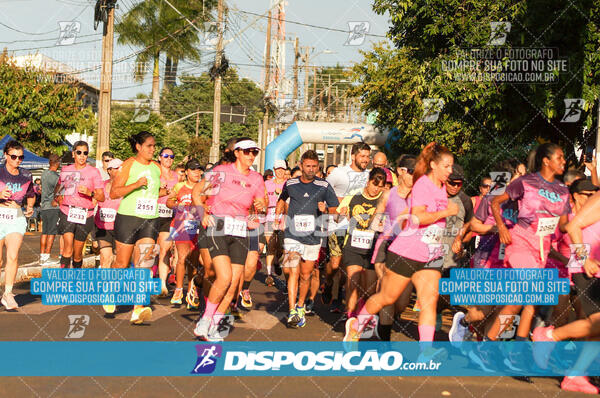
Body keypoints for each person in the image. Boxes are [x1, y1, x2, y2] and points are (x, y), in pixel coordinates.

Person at [344, 142, 458, 361]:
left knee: (428, 301)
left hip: (430, 253)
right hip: (408, 251)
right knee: (387, 297)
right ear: (434, 166)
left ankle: (426, 351)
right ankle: (356, 326)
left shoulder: (441, 186)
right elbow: (419, 217)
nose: (450, 171)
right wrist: (446, 211)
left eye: (451, 166)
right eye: (446, 166)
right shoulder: (423, 184)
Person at [192, 138, 266, 341]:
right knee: (223, 277)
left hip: (241, 229)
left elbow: (261, 200)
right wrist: (202, 213)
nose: (251, 156)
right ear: (237, 153)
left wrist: (259, 206)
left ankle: (215, 324)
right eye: (247, 152)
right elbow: (197, 192)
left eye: (255, 152)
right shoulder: (223, 172)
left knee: (234, 283)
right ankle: (205, 320)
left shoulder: (257, 178)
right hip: (219, 226)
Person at [531, 179, 600, 394]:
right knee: (597, 324)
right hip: (586, 268)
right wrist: (586, 258)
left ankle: (576, 376)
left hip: (593, 268)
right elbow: (572, 226)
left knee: (596, 331)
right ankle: (549, 336)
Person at [275, 150, 339, 328]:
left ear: (318, 167)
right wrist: (278, 212)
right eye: (307, 166)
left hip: (313, 237)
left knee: (305, 275)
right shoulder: (291, 183)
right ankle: (292, 310)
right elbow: (282, 199)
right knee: (292, 270)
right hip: (292, 235)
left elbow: (336, 209)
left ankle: (300, 305)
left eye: (314, 166)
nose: (310, 169)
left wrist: (325, 209)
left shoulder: (324, 186)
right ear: (301, 166)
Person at [110, 131, 164, 324]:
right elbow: (114, 192)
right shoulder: (129, 164)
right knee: (122, 264)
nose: (152, 149)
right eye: (149, 146)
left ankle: (138, 309)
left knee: (144, 264)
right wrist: (135, 184)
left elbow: (155, 191)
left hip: (150, 219)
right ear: (138, 147)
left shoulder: (157, 168)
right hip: (128, 217)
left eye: (154, 146)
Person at [370, 155, 416, 341]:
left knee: (403, 302)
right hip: (387, 246)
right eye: (412, 172)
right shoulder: (389, 194)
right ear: (401, 171)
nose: (416, 176)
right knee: (388, 293)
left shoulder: (420, 196)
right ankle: (384, 341)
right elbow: (376, 218)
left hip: (410, 250)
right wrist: (376, 225)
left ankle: (380, 318)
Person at [324, 142, 371, 311]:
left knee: (349, 265)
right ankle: (328, 282)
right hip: (338, 223)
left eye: (367, 156)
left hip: (358, 227)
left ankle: (339, 297)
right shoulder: (339, 173)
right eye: (362, 156)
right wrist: (337, 205)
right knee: (336, 264)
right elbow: (324, 191)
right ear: (353, 156)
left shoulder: (370, 175)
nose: (365, 160)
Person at [339, 168, 386, 323]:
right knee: (353, 281)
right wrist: (340, 214)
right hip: (352, 246)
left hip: (373, 249)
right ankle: (350, 317)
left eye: (380, 186)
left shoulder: (385, 200)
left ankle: (362, 309)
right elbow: (336, 217)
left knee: (369, 289)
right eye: (374, 184)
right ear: (368, 181)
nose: (376, 189)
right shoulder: (354, 196)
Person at [55, 141, 105, 269]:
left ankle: (76, 278)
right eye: (79, 152)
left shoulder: (94, 172)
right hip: (67, 212)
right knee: (67, 248)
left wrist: (90, 193)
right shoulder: (66, 169)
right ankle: (64, 282)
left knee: (77, 254)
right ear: (73, 154)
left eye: (85, 153)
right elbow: (59, 188)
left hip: (85, 214)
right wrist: (59, 198)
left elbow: (101, 196)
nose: (82, 156)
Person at [0, 141, 36, 310]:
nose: (17, 160)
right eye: (13, 156)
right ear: (5, 155)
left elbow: (31, 194)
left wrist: (29, 207)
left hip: (16, 217)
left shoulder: (26, 175)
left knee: (13, 256)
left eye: (20, 157)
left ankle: (8, 293)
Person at [167, 158, 203, 308]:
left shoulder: (204, 187)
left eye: (199, 169)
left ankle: (191, 291)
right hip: (181, 224)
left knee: (194, 261)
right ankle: (178, 289)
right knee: (182, 257)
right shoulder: (179, 186)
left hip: (198, 226)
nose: (197, 172)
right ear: (187, 172)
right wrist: (177, 205)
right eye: (193, 169)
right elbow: (168, 202)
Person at [94, 158, 123, 314]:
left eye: (121, 168)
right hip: (102, 227)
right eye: (116, 168)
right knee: (106, 258)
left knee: (118, 261)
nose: (119, 171)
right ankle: (108, 294)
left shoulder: (126, 188)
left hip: (120, 228)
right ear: (109, 170)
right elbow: (93, 202)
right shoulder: (102, 187)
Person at [156, 147, 179, 296]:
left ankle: (162, 284)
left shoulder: (176, 177)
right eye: (166, 156)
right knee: (148, 250)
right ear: (159, 157)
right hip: (151, 214)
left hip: (168, 216)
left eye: (171, 156)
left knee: (165, 249)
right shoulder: (153, 173)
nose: (169, 159)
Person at [264, 159, 287, 286]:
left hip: (283, 217)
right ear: (274, 170)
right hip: (270, 215)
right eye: (278, 169)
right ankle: (269, 274)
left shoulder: (288, 184)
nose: (280, 172)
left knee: (281, 247)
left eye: (282, 169)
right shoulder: (267, 183)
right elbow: (262, 197)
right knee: (270, 244)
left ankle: (277, 261)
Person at [39, 154, 61, 266]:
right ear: (57, 163)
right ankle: (47, 256)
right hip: (53, 206)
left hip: (44, 206)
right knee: (52, 232)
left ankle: (42, 256)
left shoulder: (43, 174)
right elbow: (59, 191)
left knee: (45, 231)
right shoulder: (56, 177)